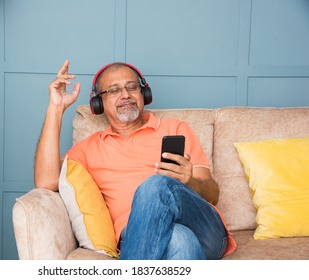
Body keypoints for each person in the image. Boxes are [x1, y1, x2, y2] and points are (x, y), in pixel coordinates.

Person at [34, 60, 236, 259]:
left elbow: (212, 194)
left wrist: (189, 182)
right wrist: (56, 108)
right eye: (114, 90)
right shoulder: (90, 147)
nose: (125, 95)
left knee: (157, 185)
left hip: (206, 233)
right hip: (136, 234)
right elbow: (46, 180)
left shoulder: (175, 128)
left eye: (132, 87)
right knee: (179, 239)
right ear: (98, 103)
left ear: (144, 94)